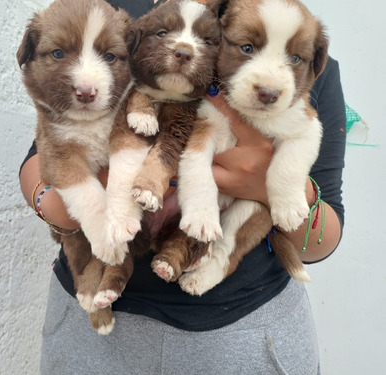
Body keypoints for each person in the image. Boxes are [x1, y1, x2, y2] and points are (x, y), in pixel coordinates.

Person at [19, 1, 346, 373]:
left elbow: (324, 239)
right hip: (90, 319)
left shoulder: (307, 56)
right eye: (247, 47)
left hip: (245, 329)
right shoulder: (116, 18)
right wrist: (72, 208)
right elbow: (43, 153)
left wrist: (272, 186)